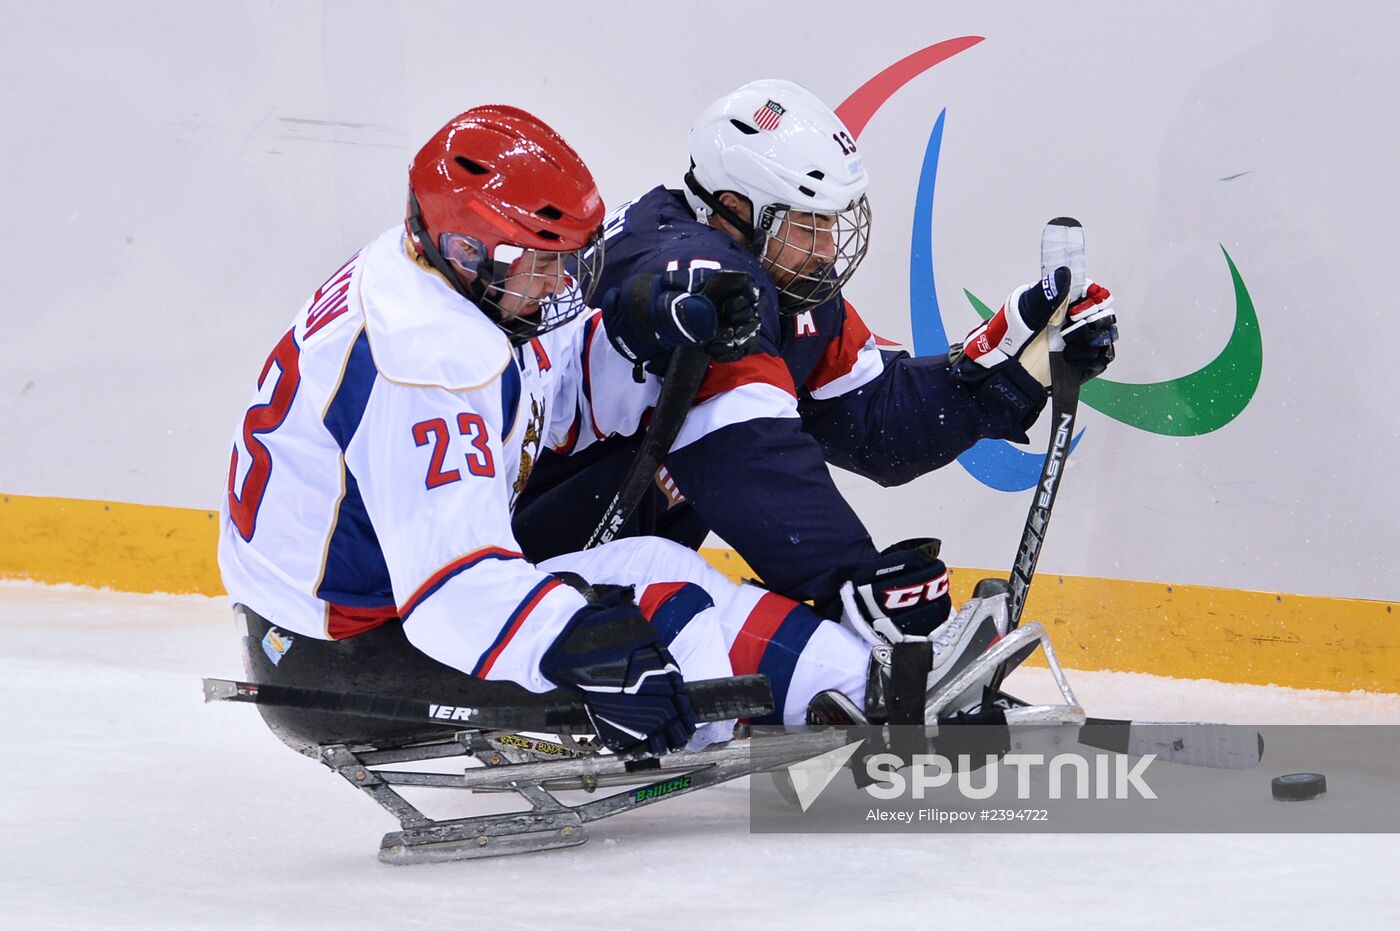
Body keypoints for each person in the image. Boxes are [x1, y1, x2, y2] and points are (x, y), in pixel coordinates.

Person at [218, 105, 998, 760]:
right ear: (469, 249)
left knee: (656, 567)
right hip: (348, 663)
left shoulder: (424, 270)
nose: (562, 285)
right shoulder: (430, 361)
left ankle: (873, 688)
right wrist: (575, 640)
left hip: (323, 621)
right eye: (543, 264)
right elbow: (451, 594)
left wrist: (634, 326)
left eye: (571, 261)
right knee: (660, 602)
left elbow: (543, 400)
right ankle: (861, 696)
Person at [511, 79, 1119, 615]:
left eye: (831, 224)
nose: (827, 249)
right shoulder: (696, 276)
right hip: (513, 560)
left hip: (605, 566)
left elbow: (874, 423)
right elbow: (746, 455)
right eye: (808, 224)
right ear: (733, 210)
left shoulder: (772, 279)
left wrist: (1009, 365)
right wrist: (855, 582)